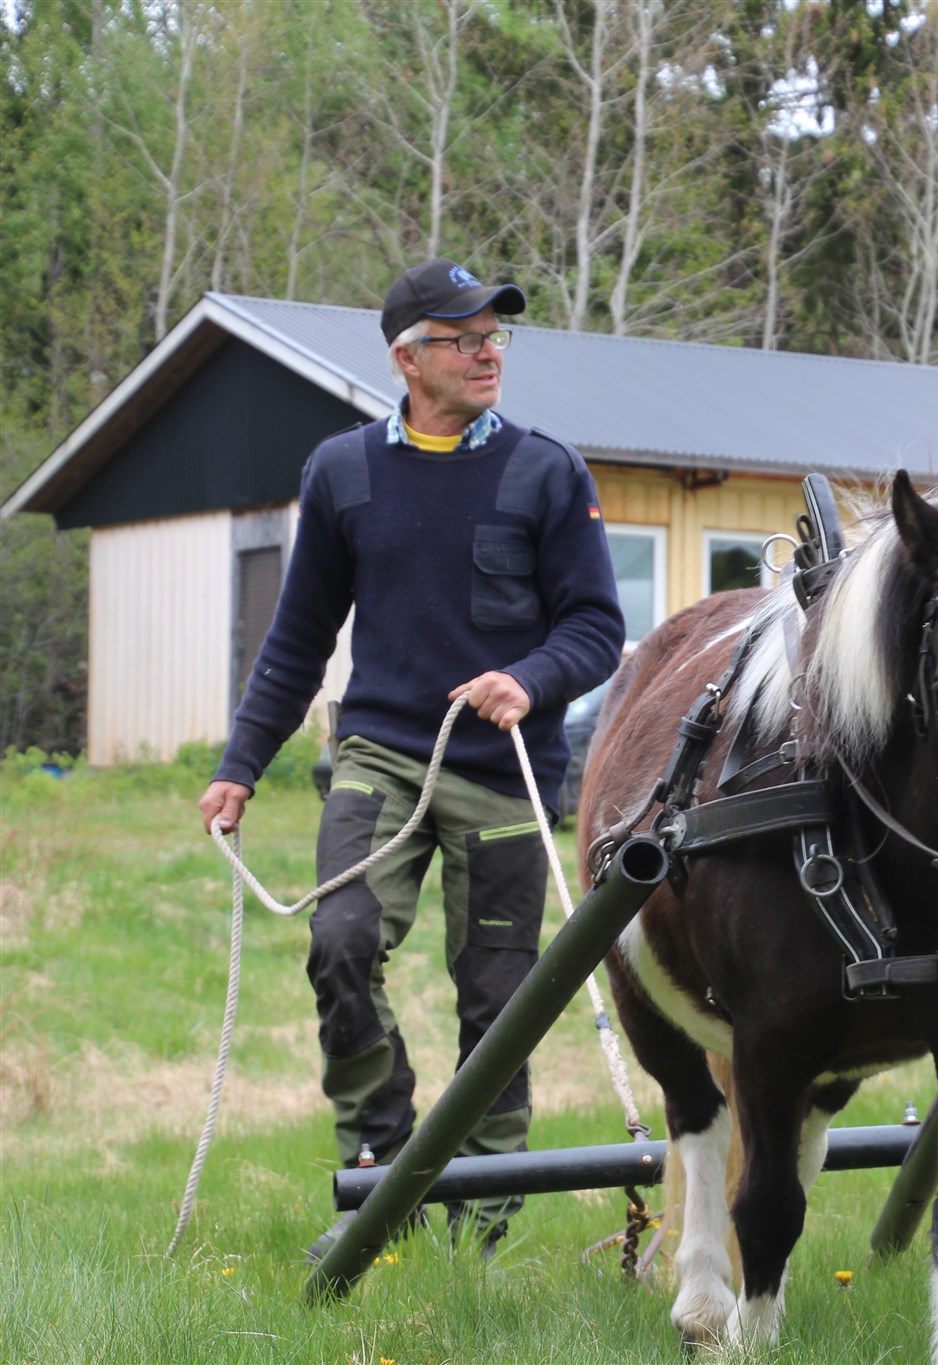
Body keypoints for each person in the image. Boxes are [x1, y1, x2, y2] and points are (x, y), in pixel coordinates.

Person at [197, 258, 625, 1261]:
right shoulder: (342, 473)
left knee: (499, 1002)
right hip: (381, 761)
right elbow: (298, 639)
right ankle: (377, 1171)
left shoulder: (547, 472)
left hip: (508, 771)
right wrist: (239, 766)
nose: (487, 353)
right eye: (463, 337)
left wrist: (529, 678)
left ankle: (482, 1217)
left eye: (496, 336)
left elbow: (597, 628)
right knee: (340, 943)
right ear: (406, 356)